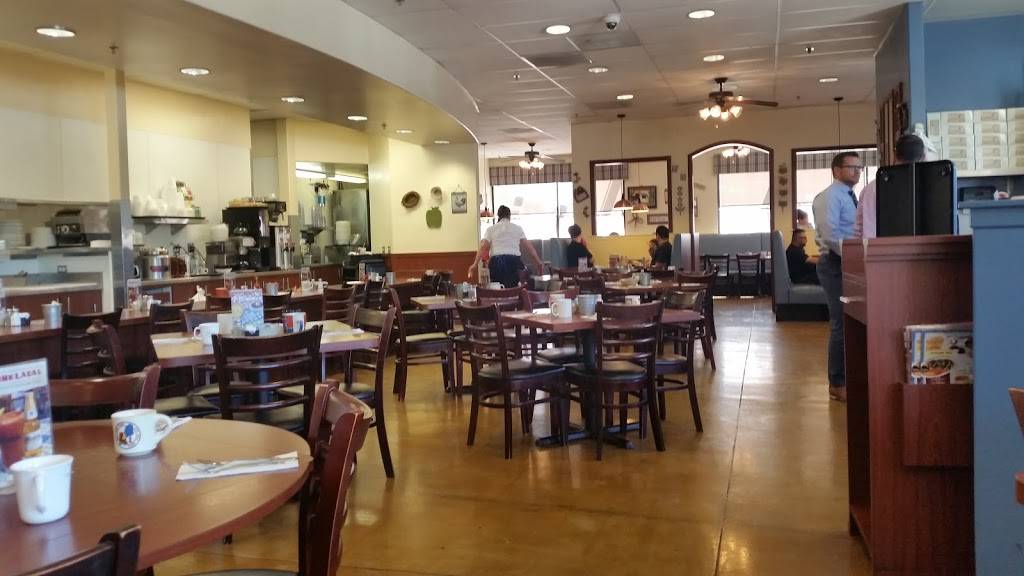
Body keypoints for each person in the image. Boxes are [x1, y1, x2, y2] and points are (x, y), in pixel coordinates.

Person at [812, 151, 862, 402]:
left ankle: (850, 377)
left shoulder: (850, 196)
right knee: (840, 323)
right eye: (852, 167)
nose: (857, 171)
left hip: (850, 263)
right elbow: (830, 234)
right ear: (837, 170)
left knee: (851, 321)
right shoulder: (829, 196)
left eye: (859, 167)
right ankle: (837, 382)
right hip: (835, 264)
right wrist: (853, 257)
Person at [854, 134, 925, 239]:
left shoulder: (871, 188)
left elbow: (858, 230)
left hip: (876, 247)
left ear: (894, 155)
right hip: (920, 248)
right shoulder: (928, 187)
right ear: (923, 157)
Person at [467, 205, 543, 288]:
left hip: (496, 262)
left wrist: (474, 264)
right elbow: (530, 248)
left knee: (497, 288)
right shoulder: (517, 228)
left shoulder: (491, 229)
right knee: (515, 288)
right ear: (509, 216)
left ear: (498, 216)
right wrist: (538, 262)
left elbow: (483, 247)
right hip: (514, 262)